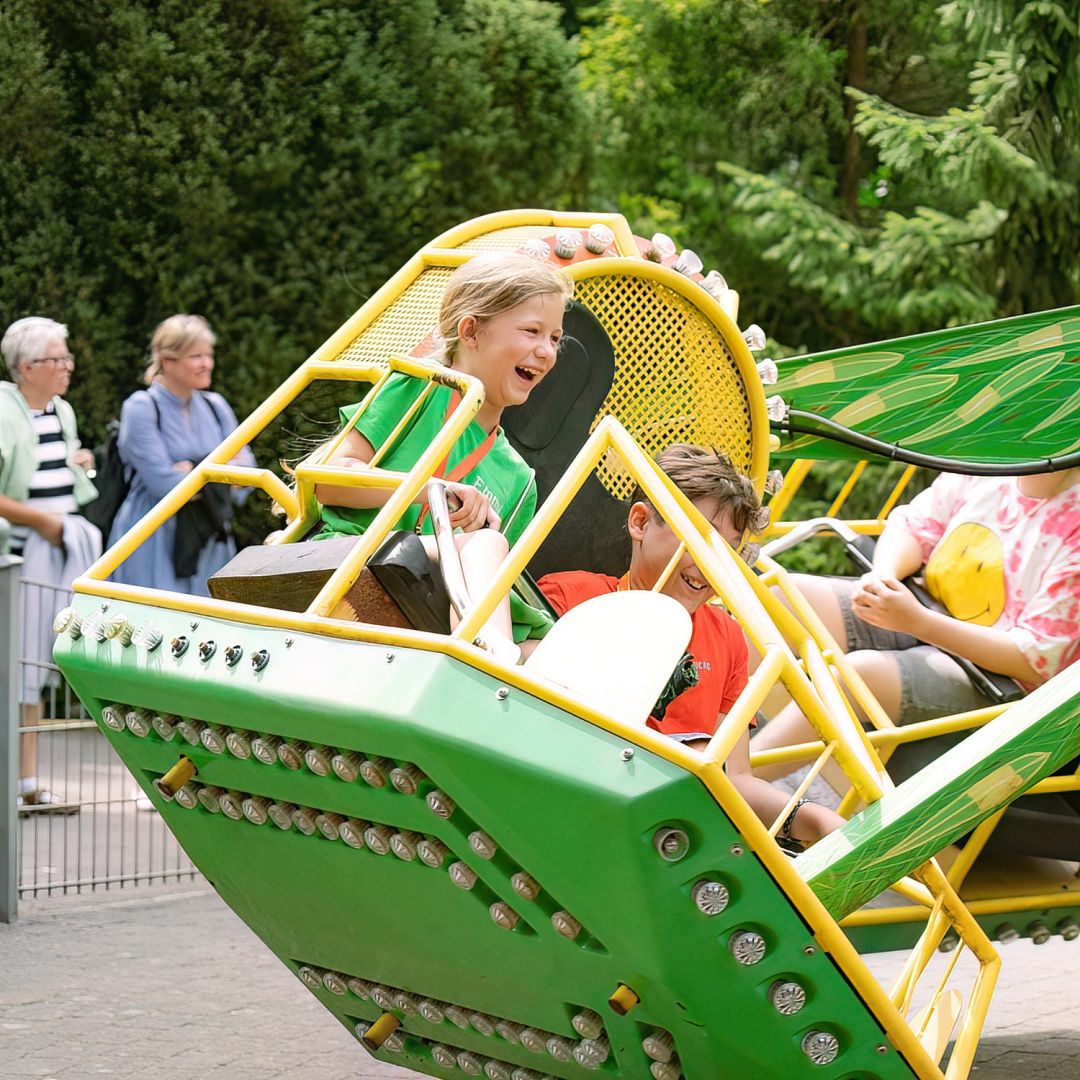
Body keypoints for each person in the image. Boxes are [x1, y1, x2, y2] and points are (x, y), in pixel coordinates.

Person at [535, 444, 844, 848]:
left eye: (726, 550)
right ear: (641, 522)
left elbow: (736, 780)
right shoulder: (570, 595)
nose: (708, 563)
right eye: (697, 539)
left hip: (665, 825)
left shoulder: (727, 637)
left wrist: (812, 820)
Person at [314, 252, 573, 660]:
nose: (546, 352)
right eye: (532, 331)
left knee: (566, 655)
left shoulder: (519, 480)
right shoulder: (416, 390)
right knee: (484, 545)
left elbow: (501, 588)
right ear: (471, 332)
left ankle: (487, 660)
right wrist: (431, 492)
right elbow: (327, 480)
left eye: (555, 339)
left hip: (432, 603)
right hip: (358, 556)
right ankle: (483, 666)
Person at [751, 468, 1080, 778]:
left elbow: (1036, 659)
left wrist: (920, 622)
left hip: (999, 676)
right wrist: (883, 577)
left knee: (859, 675)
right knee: (786, 599)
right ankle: (705, 720)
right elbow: (915, 524)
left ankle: (732, 785)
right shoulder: (990, 463)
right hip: (922, 605)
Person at [1, 316, 100, 811]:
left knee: (33, 666)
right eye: (57, 359)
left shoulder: (60, 411)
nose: (67, 367)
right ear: (27, 367)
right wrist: (42, 524)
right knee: (17, 665)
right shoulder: (3, 412)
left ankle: (25, 782)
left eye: (67, 357)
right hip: (16, 558)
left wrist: (75, 466)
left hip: (55, 548)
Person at [108, 314, 255, 596]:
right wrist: (218, 472)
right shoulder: (141, 407)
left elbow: (247, 471)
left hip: (210, 537)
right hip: (153, 538)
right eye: (196, 356)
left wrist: (193, 470)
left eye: (208, 355)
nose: (207, 364)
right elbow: (164, 484)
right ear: (166, 360)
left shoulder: (216, 405)